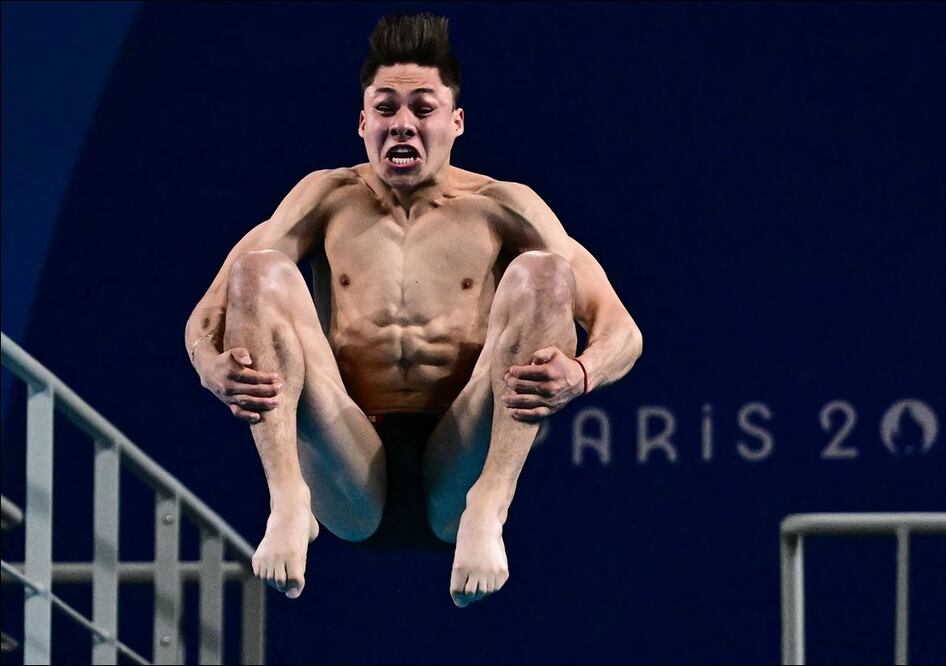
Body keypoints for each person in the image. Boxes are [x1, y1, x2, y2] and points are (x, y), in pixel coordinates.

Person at [183, 12, 642, 608]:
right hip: (346, 460)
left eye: (422, 109)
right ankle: (288, 500)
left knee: (543, 272)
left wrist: (580, 375)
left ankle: (490, 507)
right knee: (258, 268)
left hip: (462, 459)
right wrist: (210, 369)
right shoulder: (326, 197)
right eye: (385, 108)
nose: (403, 124)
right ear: (362, 121)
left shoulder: (502, 206)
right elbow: (207, 317)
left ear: (454, 122)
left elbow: (622, 332)